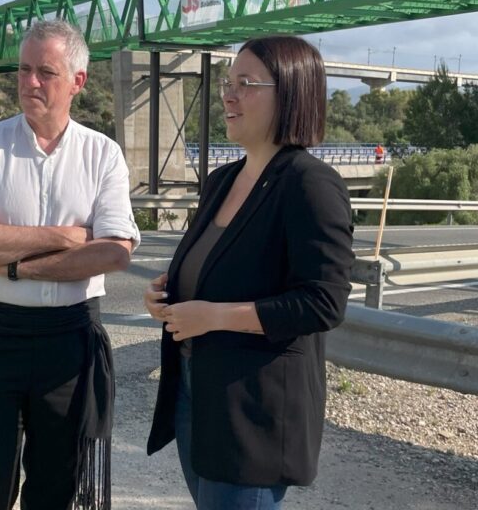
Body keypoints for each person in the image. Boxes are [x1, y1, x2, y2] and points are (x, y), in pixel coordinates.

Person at [144, 36, 353, 509]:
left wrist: (215, 317)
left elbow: (323, 302)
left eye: (246, 84)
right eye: (227, 83)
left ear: (290, 93)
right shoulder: (221, 181)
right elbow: (216, 269)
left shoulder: (310, 184)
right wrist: (165, 296)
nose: (229, 96)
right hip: (199, 395)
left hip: (256, 413)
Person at [0, 19, 140, 510]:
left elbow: (114, 252)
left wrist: (14, 264)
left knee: (56, 489)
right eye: (24, 69)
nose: (30, 82)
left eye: (45, 72)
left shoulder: (103, 154)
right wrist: (66, 237)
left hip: (69, 341)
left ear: (77, 81)